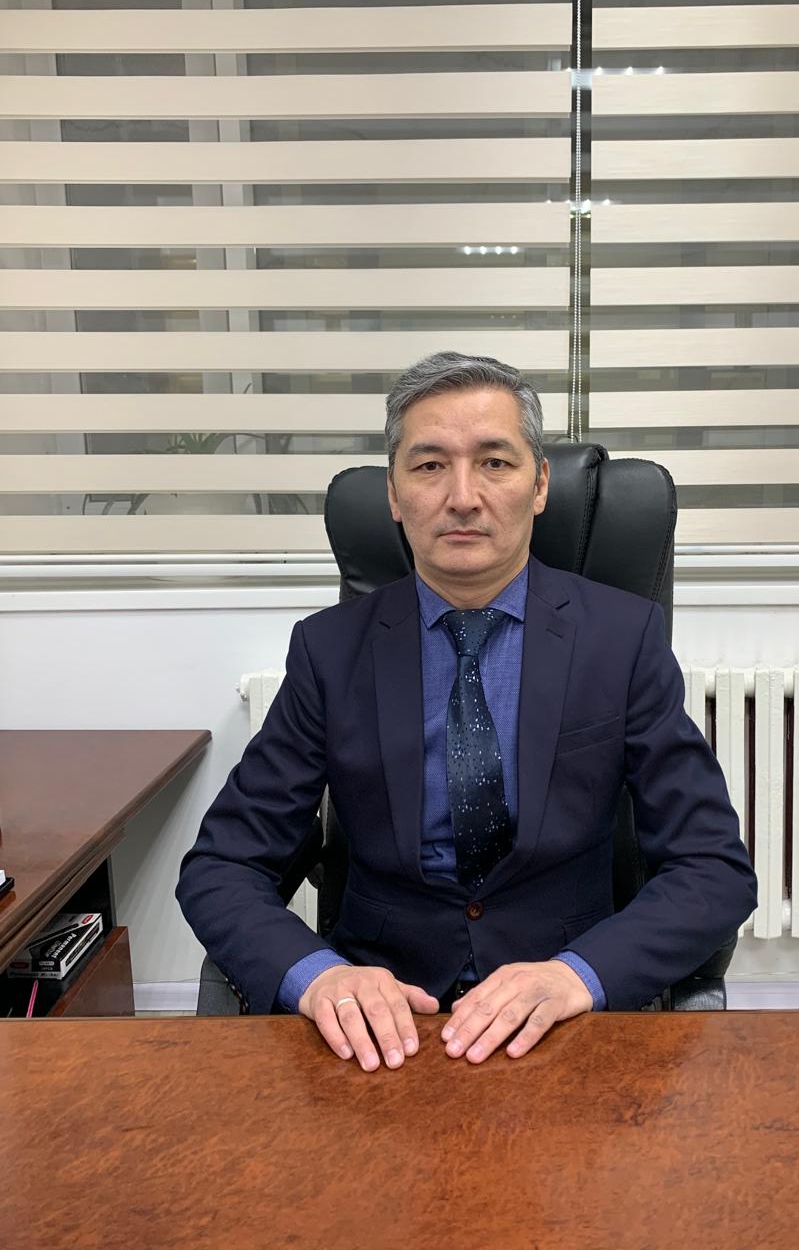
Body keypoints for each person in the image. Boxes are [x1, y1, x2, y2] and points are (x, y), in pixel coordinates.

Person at [176, 351, 757, 1073]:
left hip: (565, 1017)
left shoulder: (621, 638)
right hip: (384, 1025)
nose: (462, 496)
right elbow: (223, 865)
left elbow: (712, 867)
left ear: (539, 485)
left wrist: (579, 975)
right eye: (429, 466)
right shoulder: (330, 651)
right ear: (394, 494)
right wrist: (317, 978)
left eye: (494, 463)